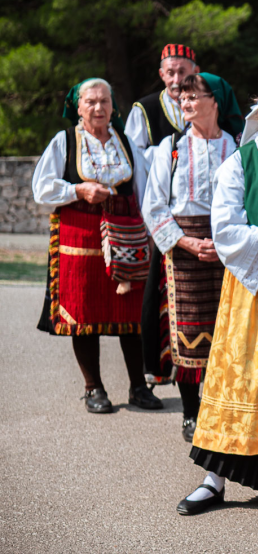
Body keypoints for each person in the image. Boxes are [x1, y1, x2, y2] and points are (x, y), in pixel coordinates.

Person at [178, 76, 258, 515]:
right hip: (254, 288)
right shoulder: (239, 164)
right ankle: (214, 480)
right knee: (242, 373)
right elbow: (226, 231)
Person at [32, 78, 162, 413]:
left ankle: (138, 386)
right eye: (90, 102)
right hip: (80, 238)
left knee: (131, 312)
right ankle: (94, 388)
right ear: (78, 107)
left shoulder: (127, 143)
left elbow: (144, 190)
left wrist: (150, 232)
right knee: (84, 312)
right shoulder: (64, 142)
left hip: (126, 235)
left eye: (104, 101)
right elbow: (42, 188)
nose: (99, 108)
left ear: (113, 106)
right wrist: (78, 190)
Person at [142, 72, 245, 443]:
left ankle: (222, 406)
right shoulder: (168, 148)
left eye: (193, 96)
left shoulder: (236, 147)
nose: (185, 103)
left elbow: (247, 201)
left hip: (228, 245)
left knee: (228, 329)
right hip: (183, 249)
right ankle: (190, 412)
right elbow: (154, 206)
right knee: (187, 331)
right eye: (182, 98)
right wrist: (185, 242)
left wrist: (227, 241)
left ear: (215, 101)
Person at [125, 44, 198, 201]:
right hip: (156, 197)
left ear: (196, 72)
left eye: (182, 72)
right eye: (171, 73)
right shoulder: (144, 109)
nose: (176, 80)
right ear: (162, 74)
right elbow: (131, 158)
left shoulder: (208, 107)